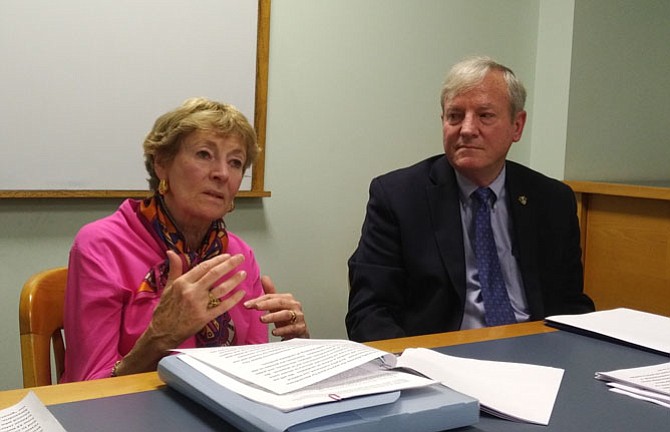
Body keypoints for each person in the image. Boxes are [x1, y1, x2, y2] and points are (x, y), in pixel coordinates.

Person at [346, 56, 594, 342]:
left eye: (485, 115)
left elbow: (570, 305)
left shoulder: (552, 200)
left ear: (517, 125)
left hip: (536, 355)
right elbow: (369, 311)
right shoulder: (397, 197)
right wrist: (412, 365)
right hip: (438, 358)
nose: (466, 129)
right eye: (454, 116)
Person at [62, 97, 309, 382]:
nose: (222, 174)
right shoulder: (101, 246)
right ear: (162, 164)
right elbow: (88, 391)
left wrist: (296, 344)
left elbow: (251, 376)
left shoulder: (239, 255)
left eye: (236, 162)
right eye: (204, 154)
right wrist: (158, 338)